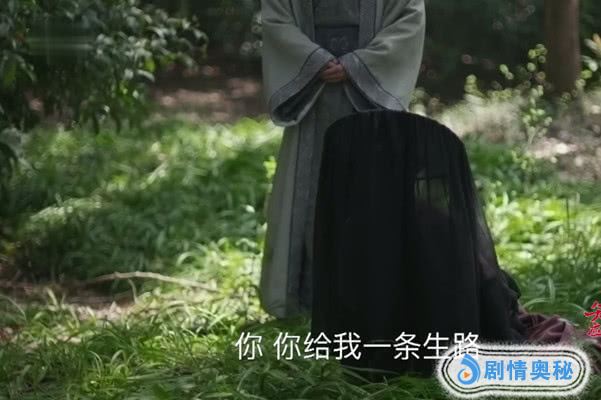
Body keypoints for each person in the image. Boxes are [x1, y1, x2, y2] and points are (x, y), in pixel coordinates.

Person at [259, 0, 426, 319]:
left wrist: (357, 65)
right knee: (310, 198)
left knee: (369, 199)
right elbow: (276, 18)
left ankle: (369, 299)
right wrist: (314, 61)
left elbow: (408, 18)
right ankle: (305, 298)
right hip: (313, 100)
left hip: (367, 102)